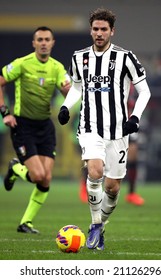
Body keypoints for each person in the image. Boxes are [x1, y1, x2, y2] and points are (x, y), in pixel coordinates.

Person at [58, 8, 151, 250]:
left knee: (112, 188)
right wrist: (67, 106)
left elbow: (144, 91)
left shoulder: (125, 58)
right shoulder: (79, 58)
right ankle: (96, 224)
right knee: (95, 171)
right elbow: (77, 87)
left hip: (119, 130)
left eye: (104, 29)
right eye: (96, 29)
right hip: (90, 127)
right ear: (91, 30)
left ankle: (101, 225)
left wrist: (135, 117)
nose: (99, 33)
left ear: (112, 31)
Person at [0, 26, 71, 234]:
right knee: (38, 175)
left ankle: (26, 223)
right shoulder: (22, 63)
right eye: (39, 39)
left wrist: (73, 95)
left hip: (45, 127)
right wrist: (5, 112)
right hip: (22, 126)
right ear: (34, 43)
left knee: (46, 178)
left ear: (52, 42)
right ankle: (15, 168)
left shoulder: (57, 68)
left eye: (47, 39)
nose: (43, 43)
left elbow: (68, 90)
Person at [125, 85, 144, 206]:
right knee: (99, 156)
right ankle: (86, 187)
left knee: (133, 155)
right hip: (109, 123)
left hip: (128, 123)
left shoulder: (134, 84)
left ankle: (131, 193)